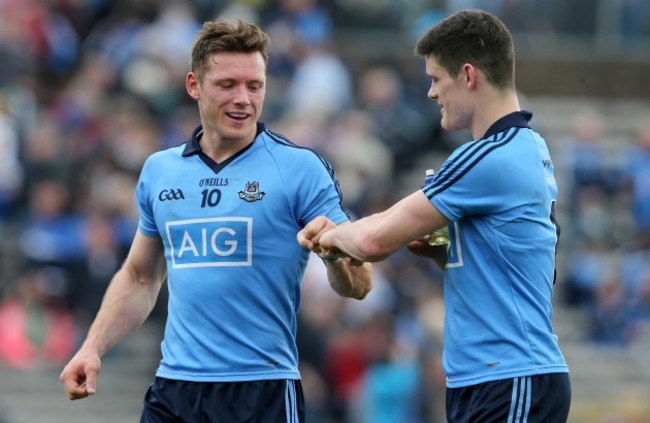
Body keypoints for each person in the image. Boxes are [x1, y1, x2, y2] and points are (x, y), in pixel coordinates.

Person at [59, 19, 372, 423]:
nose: (243, 99)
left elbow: (360, 285)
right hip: (174, 389)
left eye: (254, 86)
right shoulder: (160, 171)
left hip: (261, 390)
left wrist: (333, 256)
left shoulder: (299, 169)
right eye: (227, 85)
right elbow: (140, 276)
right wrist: (92, 347)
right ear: (194, 86)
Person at [298, 9, 571, 423]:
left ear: (468, 75)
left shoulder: (488, 156)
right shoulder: (526, 147)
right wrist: (448, 253)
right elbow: (515, 263)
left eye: (435, 78)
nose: (430, 93)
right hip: (498, 378)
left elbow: (375, 240)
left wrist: (333, 236)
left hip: (509, 376)